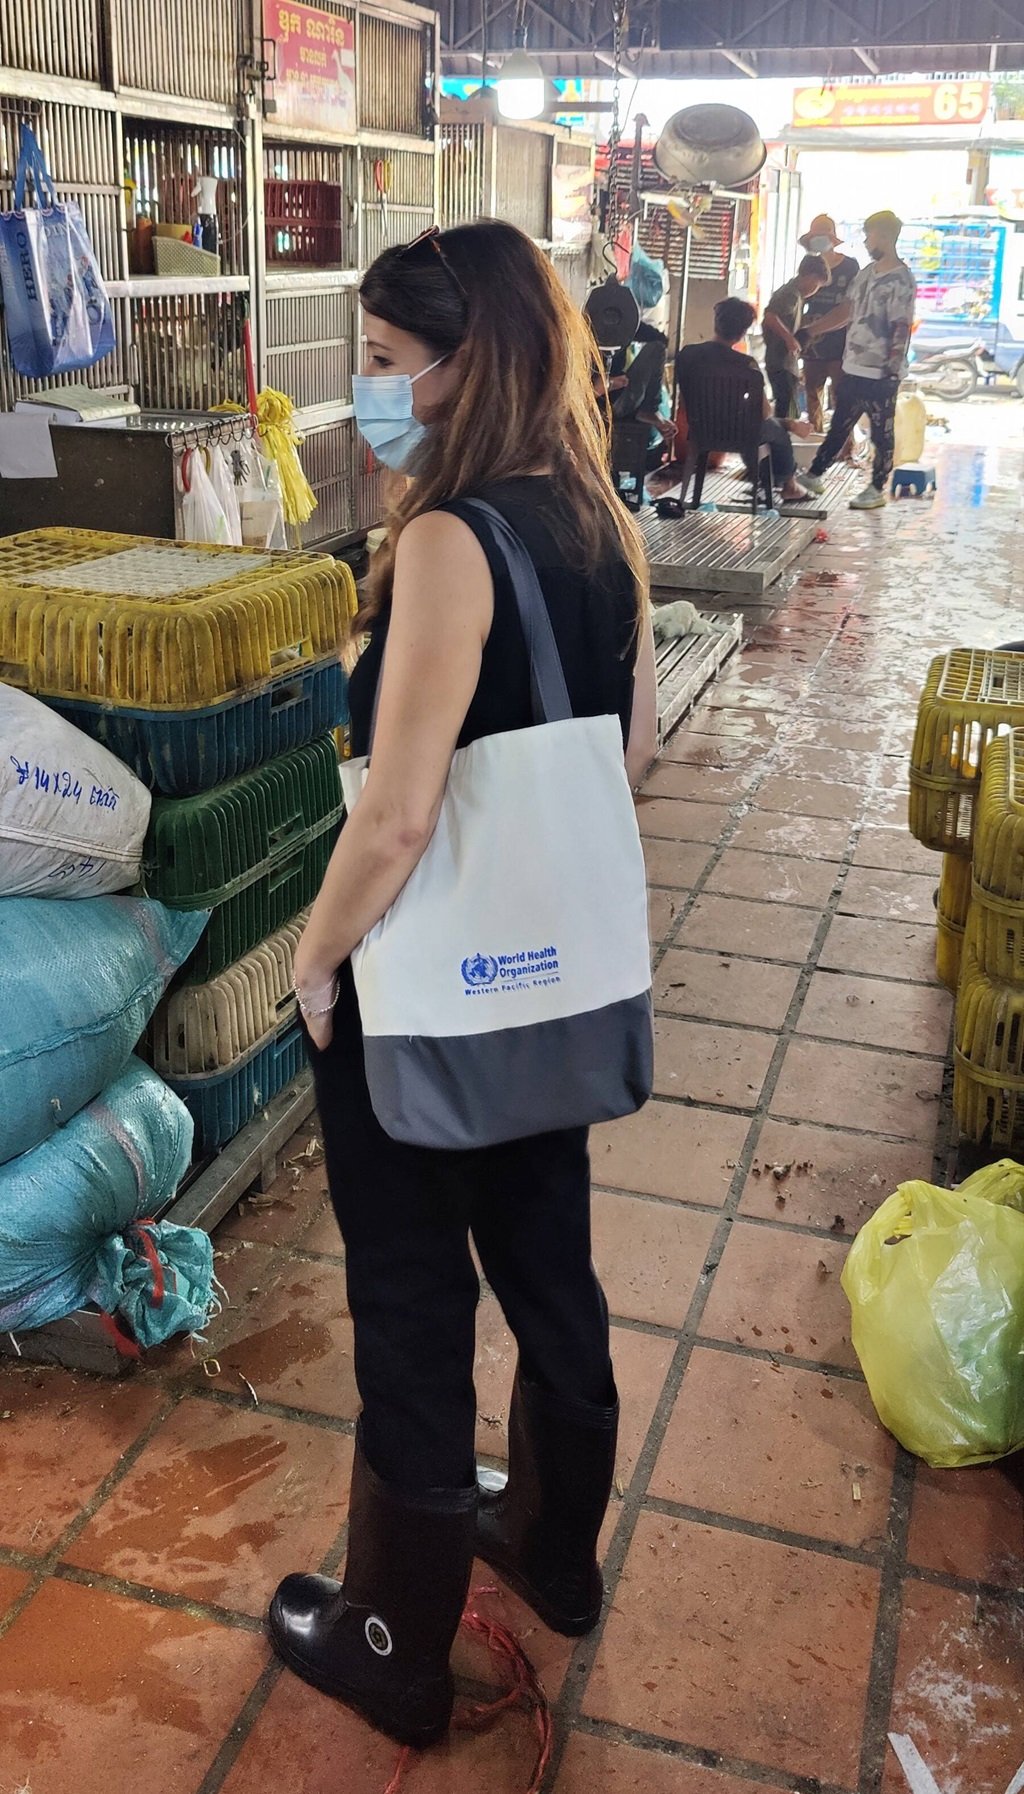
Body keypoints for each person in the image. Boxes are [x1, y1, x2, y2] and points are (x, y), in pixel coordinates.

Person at [268, 221, 659, 1750]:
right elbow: (626, 757)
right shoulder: (596, 517)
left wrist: (316, 957)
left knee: (413, 1296)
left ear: (462, 362)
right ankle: (555, 1553)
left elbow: (400, 813)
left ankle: (392, 1640)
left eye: (382, 361)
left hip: (424, 995)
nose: (367, 389)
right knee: (549, 1258)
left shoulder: (448, 542)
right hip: (549, 991)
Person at [800, 210, 917, 510]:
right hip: (852, 365)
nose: (866, 241)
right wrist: (811, 330)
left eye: (870, 235)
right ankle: (815, 474)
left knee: (881, 433)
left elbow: (901, 327)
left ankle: (877, 488)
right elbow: (846, 311)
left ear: (886, 236)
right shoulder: (865, 274)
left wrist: (892, 370)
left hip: (881, 372)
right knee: (839, 423)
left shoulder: (901, 280)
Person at [675, 296, 817, 505]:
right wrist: (789, 424)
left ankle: (769, 482)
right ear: (743, 332)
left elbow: (684, 397)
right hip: (740, 433)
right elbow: (765, 414)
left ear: (716, 322)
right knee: (776, 433)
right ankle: (789, 485)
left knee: (763, 428)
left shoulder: (688, 355)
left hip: (698, 429)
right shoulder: (747, 365)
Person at [797, 214, 860, 435]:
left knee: (841, 395)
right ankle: (814, 439)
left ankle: (844, 443)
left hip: (840, 342)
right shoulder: (809, 265)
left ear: (832, 239)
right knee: (812, 393)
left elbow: (850, 307)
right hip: (812, 342)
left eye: (822, 236)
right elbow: (800, 299)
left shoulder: (850, 267)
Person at [762, 253, 829, 419]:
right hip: (781, 360)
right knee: (787, 411)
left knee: (787, 407)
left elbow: (785, 319)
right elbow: (770, 317)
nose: (815, 291)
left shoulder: (796, 295)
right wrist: (789, 338)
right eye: (817, 285)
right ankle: (782, 434)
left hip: (785, 361)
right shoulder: (790, 294)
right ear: (810, 277)